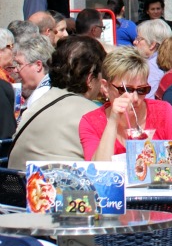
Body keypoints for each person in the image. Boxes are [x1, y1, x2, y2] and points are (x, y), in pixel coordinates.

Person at [8, 35, 106, 168]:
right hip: (58, 185)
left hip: (17, 184)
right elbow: (107, 166)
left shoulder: (38, 101)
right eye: (101, 75)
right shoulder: (92, 113)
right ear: (90, 78)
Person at [80, 47, 172, 160]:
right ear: (105, 87)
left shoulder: (163, 112)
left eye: (141, 90)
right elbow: (98, 170)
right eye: (126, 90)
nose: (134, 98)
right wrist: (113, 121)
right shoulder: (91, 122)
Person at [11, 34, 53, 115]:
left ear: (38, 65)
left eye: (19, 64)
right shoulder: (51, 88)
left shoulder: (40, 97)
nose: (16, 70)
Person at [134, 18, 172, 98]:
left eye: (139, 39)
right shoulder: (170, 60)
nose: (134, 42)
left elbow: (148, 100)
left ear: (152, 44)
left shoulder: (150, 67)